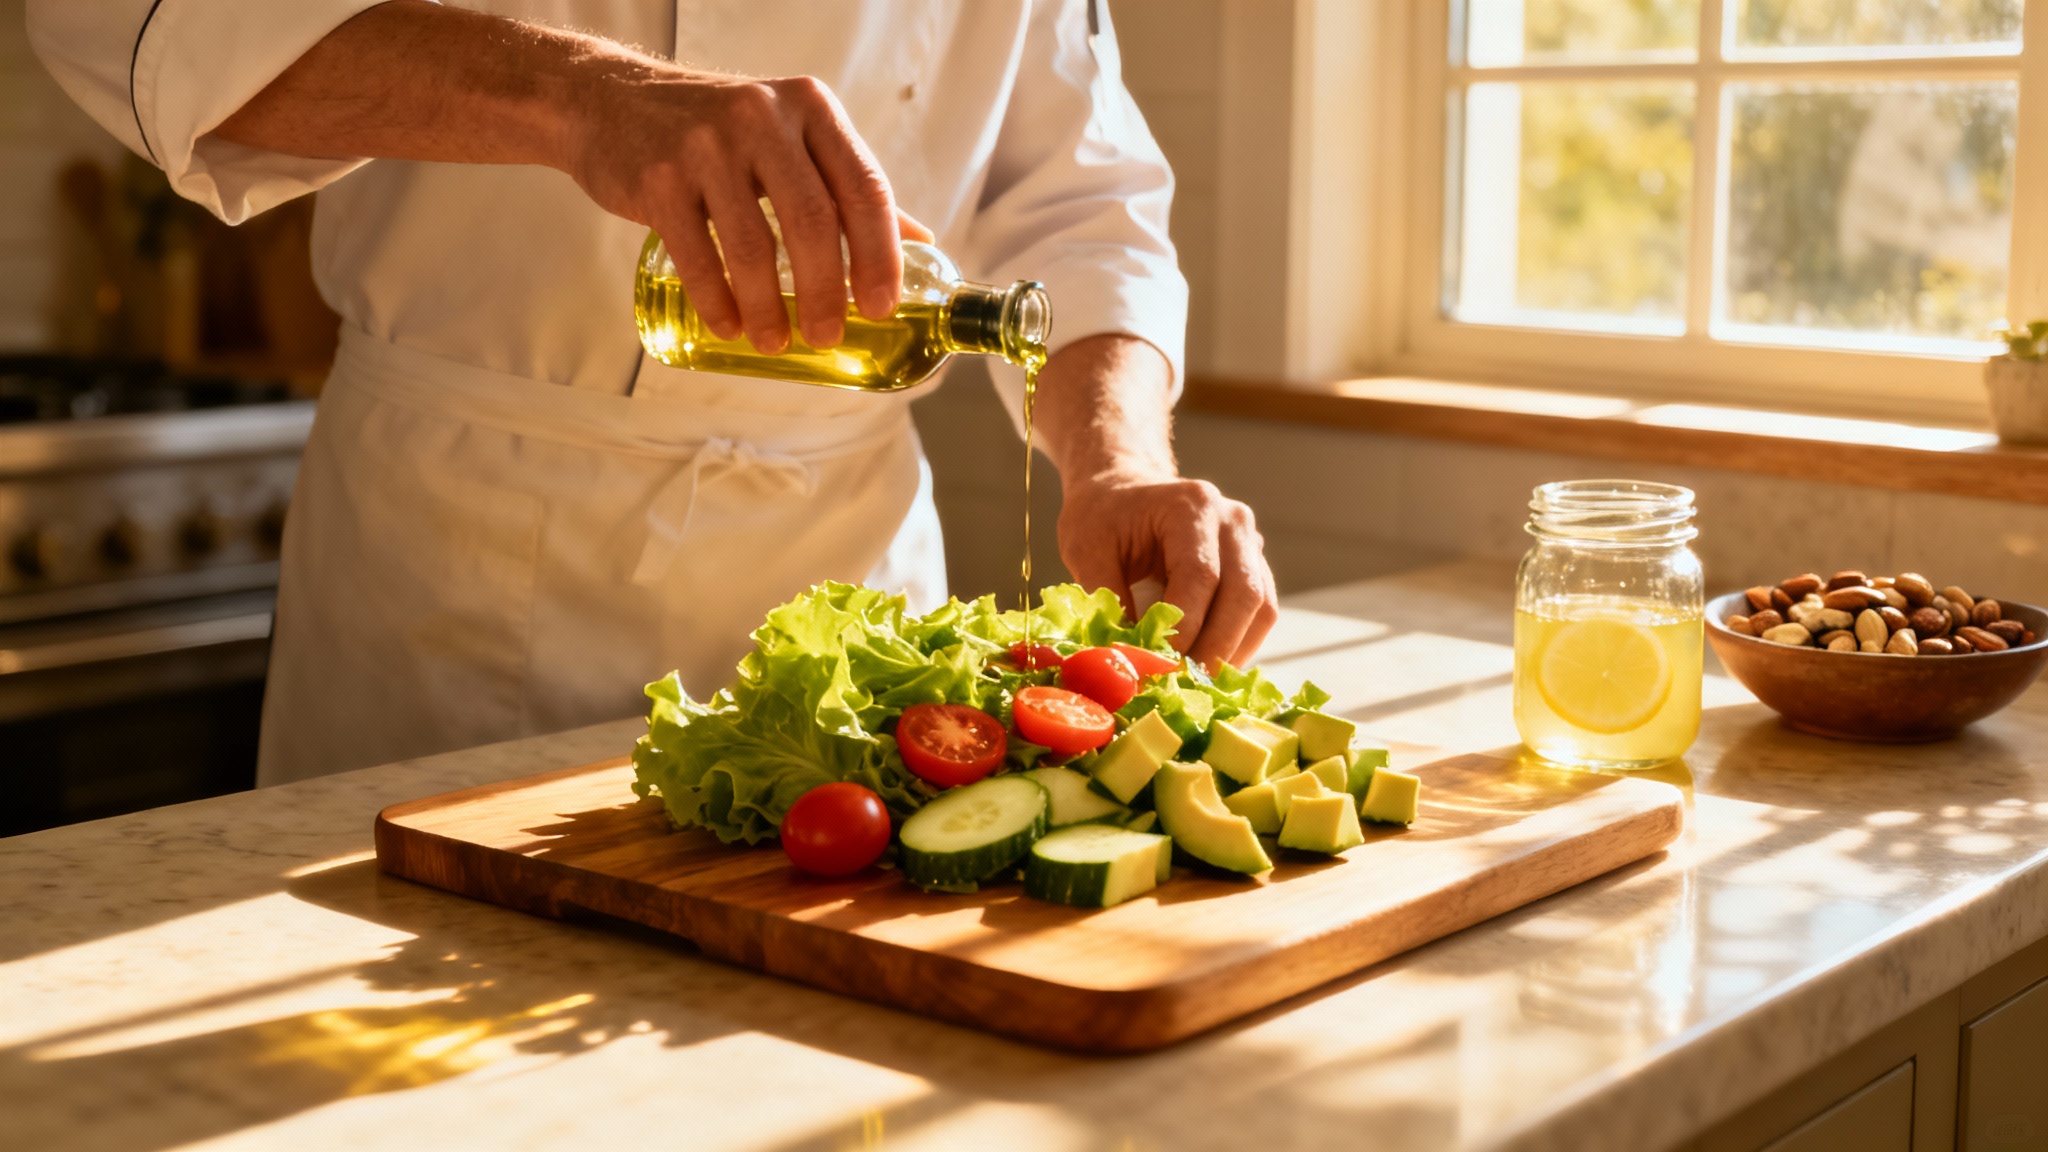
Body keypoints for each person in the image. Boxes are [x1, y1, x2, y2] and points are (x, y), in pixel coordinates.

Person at [28, 0, 1278, 784]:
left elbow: (1076, 201)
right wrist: (580, 98)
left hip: (840, 570)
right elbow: (139, 23)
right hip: (452, 574)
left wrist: (1116, 461)